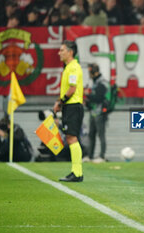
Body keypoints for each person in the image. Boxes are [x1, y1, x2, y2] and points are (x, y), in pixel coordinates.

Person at [53, 40, 84, 182]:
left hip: (73, 106)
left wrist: (60, 102)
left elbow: (71, 89)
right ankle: (76, 172)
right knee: (71, 138)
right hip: (70, 106)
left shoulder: (73, 67)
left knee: (72, 138)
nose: (59, 53)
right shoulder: (70, 67)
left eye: (62, 50)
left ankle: (77, 173)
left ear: (70, 52)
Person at [83, 63, 109, 163]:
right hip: (93, 112)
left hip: (100, 113)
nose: (89, 74)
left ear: (95, 72)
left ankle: (102, 156)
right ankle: (90, 156)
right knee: (91, 135)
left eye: (91, 72)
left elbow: (98, 98)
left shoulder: (101, 83)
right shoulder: (94, 82)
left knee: (101, 135)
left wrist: (87, 95)